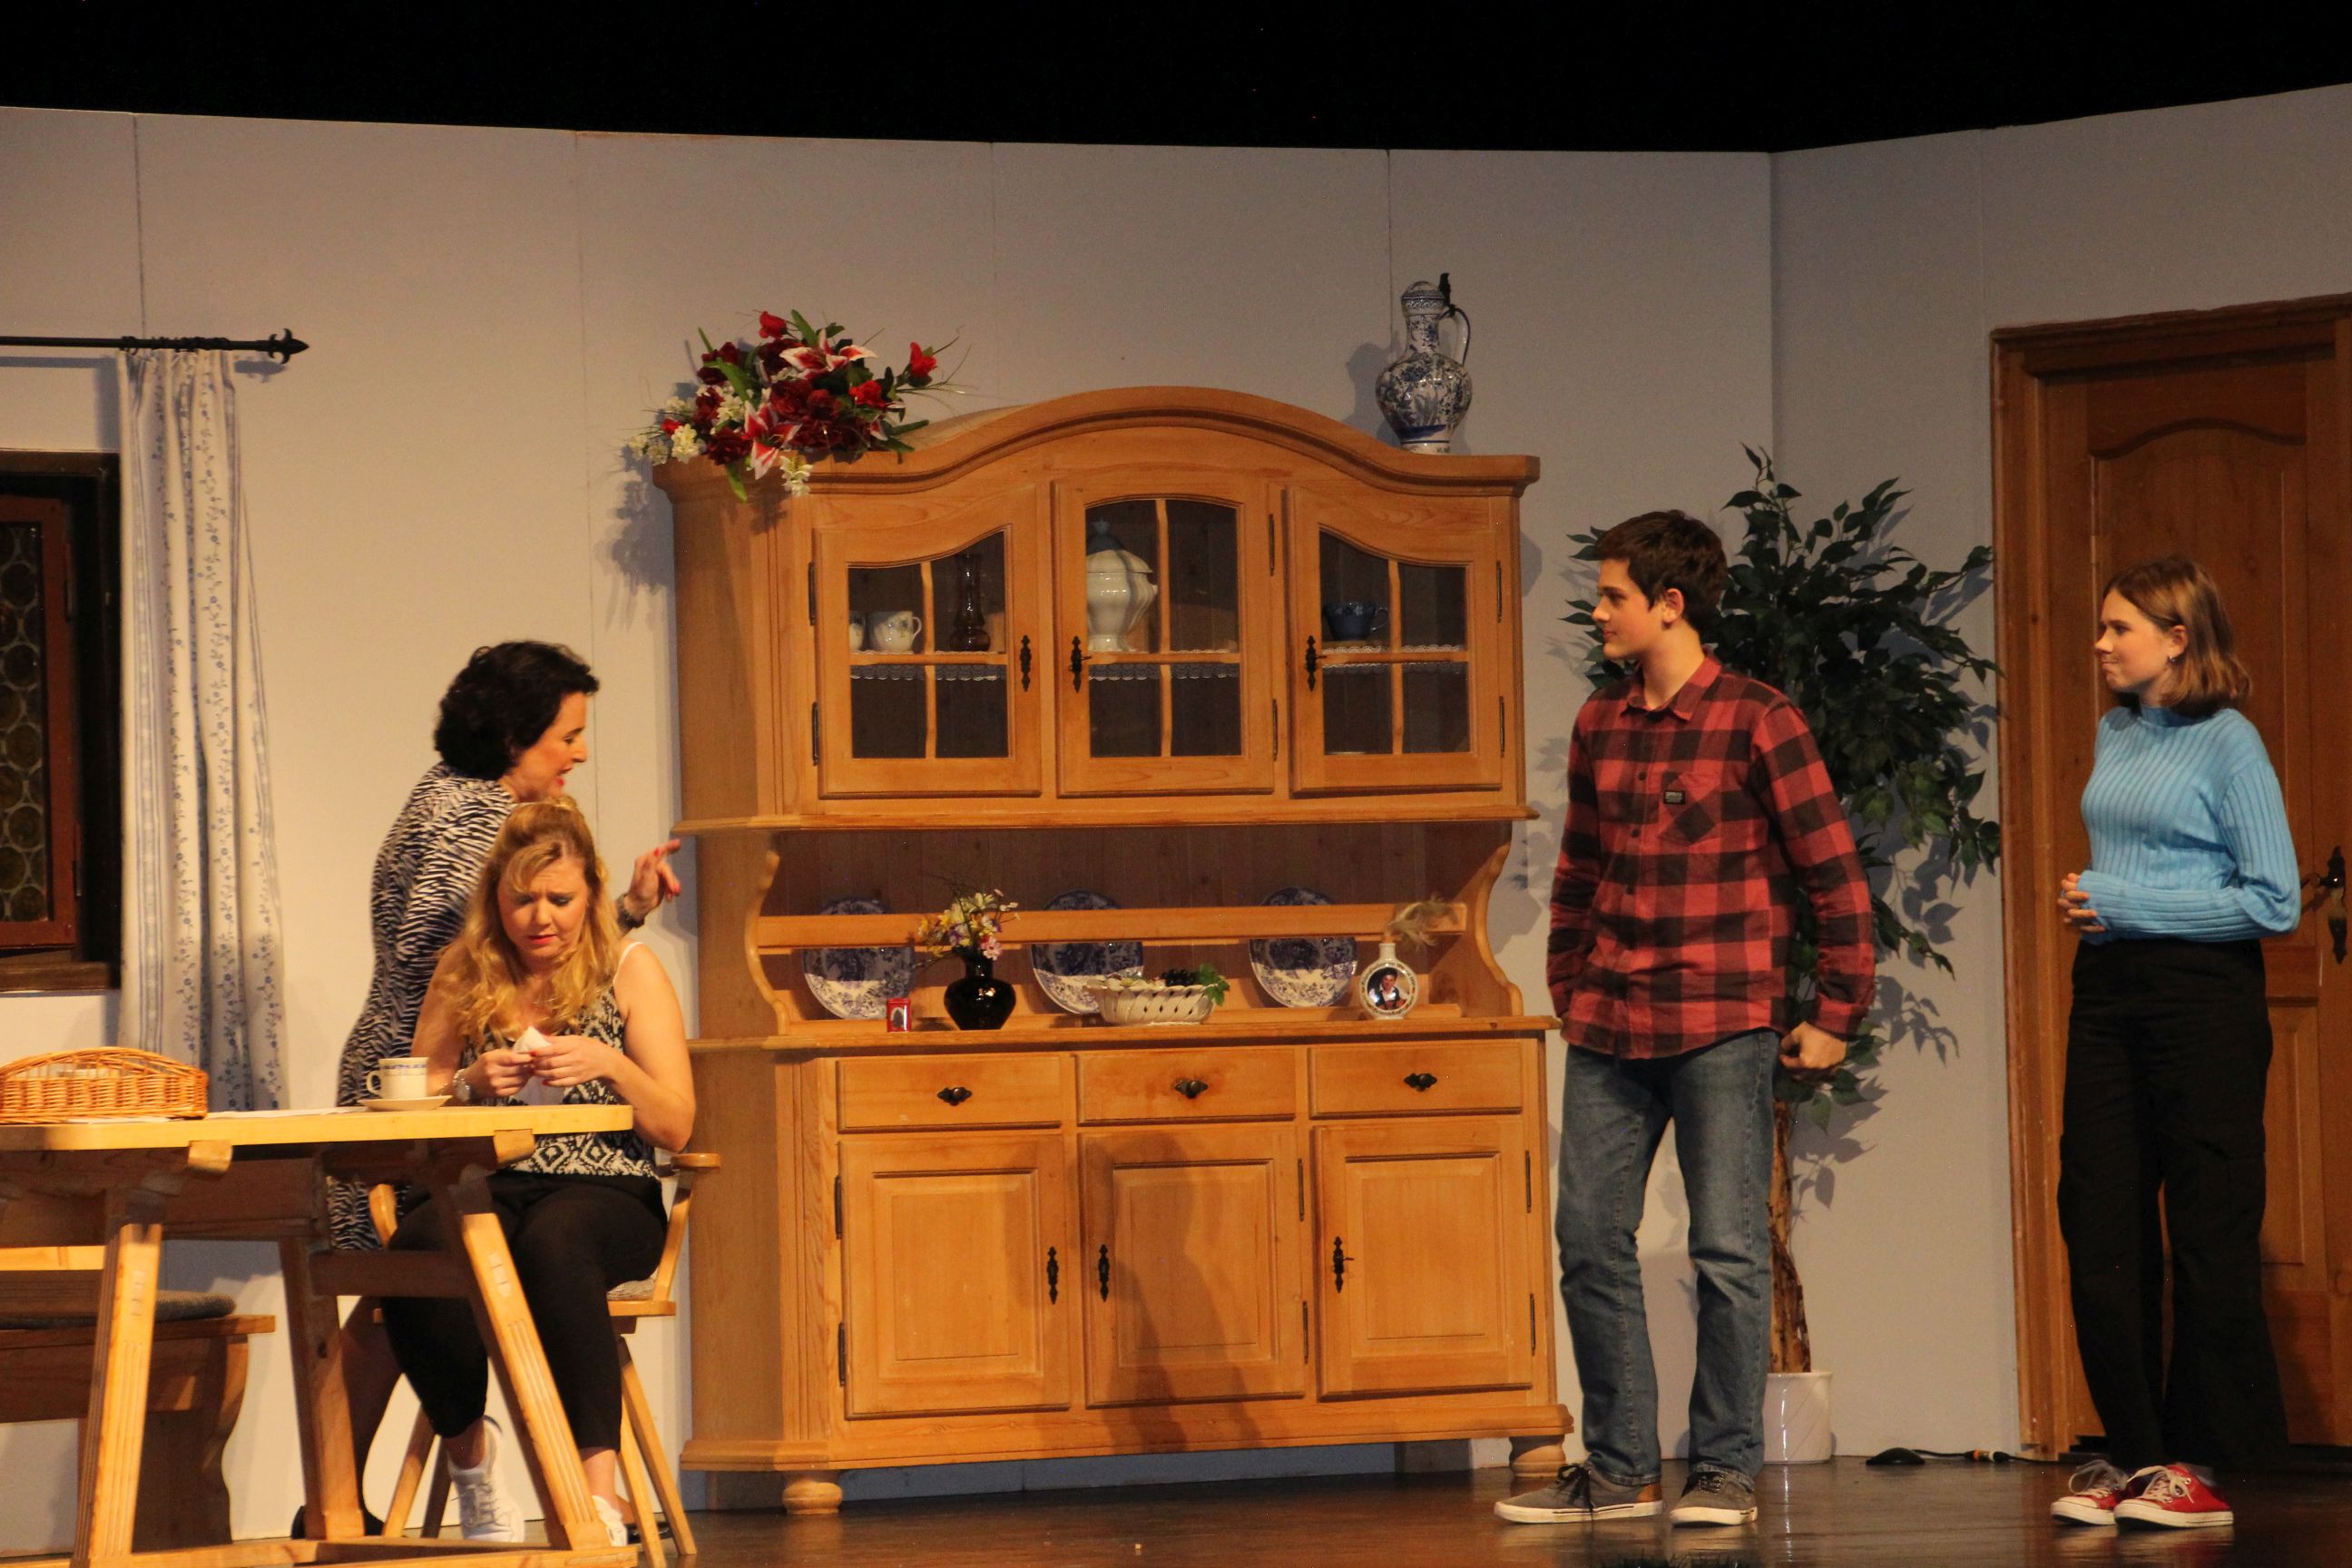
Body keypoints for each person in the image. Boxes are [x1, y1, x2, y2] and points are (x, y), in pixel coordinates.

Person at [1494, 511, 1874, 1530]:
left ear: (1670, 604)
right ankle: (1621, 1469)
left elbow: (1833, 874)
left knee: (1728, 1251)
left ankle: (1723, 1470)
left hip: (1721, 1018)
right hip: (1611, 1021)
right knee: (1587, 1238)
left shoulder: (1759, 719)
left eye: (1613, 595)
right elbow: (1579, 871)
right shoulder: (1601, 721)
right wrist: (1570, 982)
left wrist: (1836, 1009)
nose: (1598, 612)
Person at [321, 642, 681, 1535]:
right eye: (567, 734)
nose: (579, 753)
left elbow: (555, 943)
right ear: (517, 735)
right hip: (423, 1084)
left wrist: (622, 926)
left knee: (414, 1287)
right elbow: (486, 947)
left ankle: (348, 1500)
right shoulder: (474, 819)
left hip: (495, 1113)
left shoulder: (450, 796)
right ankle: (347, 1498)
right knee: (404, 1282)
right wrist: (487, 1058)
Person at [2048, 557, 2298, 1531]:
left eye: (2120, 627)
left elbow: (2272, 901)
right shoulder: (2116, 731)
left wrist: (2126, 900)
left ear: (2178, 637)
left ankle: (2198, 1461)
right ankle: (2136, 1452)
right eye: (2102, 626)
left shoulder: (2230, 743)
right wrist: (2105, 904)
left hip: (2202, 1000)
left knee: (2207, 1228)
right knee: (2098, 1219)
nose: (2101, 643)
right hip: (2109, 992)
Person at [383, 799, 695, 1548]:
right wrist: (469, 1084)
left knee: (555, 1243)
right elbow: (415, 1096)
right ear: (496, 897)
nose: (541, 917)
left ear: (591, 894)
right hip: (487, 1182)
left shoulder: (629, 968)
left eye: (559, 898)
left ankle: (597, 1497)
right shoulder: (466, 968)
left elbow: (677, 1123)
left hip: (604, 1192)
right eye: (522, 899)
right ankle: (474, 1466)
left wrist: (611, 1063)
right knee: (420, 1249)